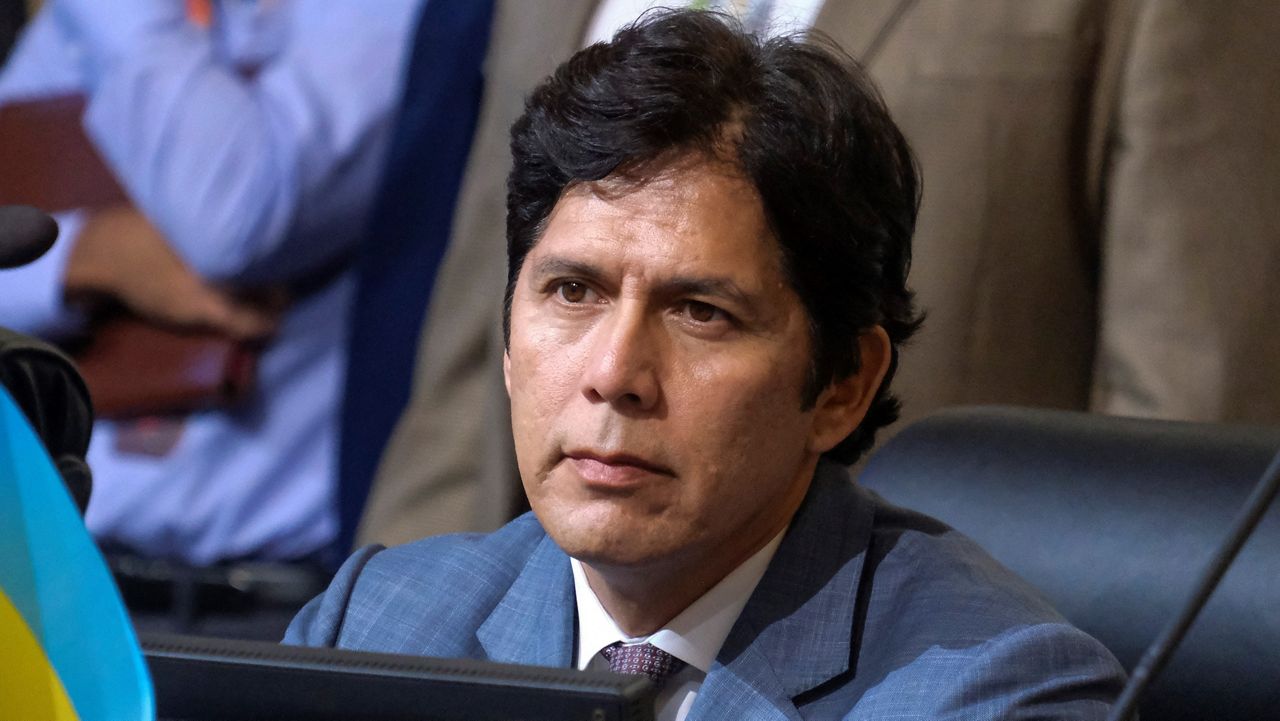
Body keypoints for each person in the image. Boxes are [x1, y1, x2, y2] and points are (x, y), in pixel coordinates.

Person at [288, 12, 1126, 720]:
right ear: (508, 340)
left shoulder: (992, 693)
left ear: (843, 384)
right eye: (573, 291)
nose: (614, 373)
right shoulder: (375, 625)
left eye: (701, 313)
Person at [358, 0, 1280, 548]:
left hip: (930, 655)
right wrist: (378, 657)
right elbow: (475, 352)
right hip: (526, 640)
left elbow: (1185, 394)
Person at [0, 0, 423, 566]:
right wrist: (86, 257)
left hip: (267, 601)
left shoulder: (393, 15)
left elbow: (231, 218)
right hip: (58, 572)